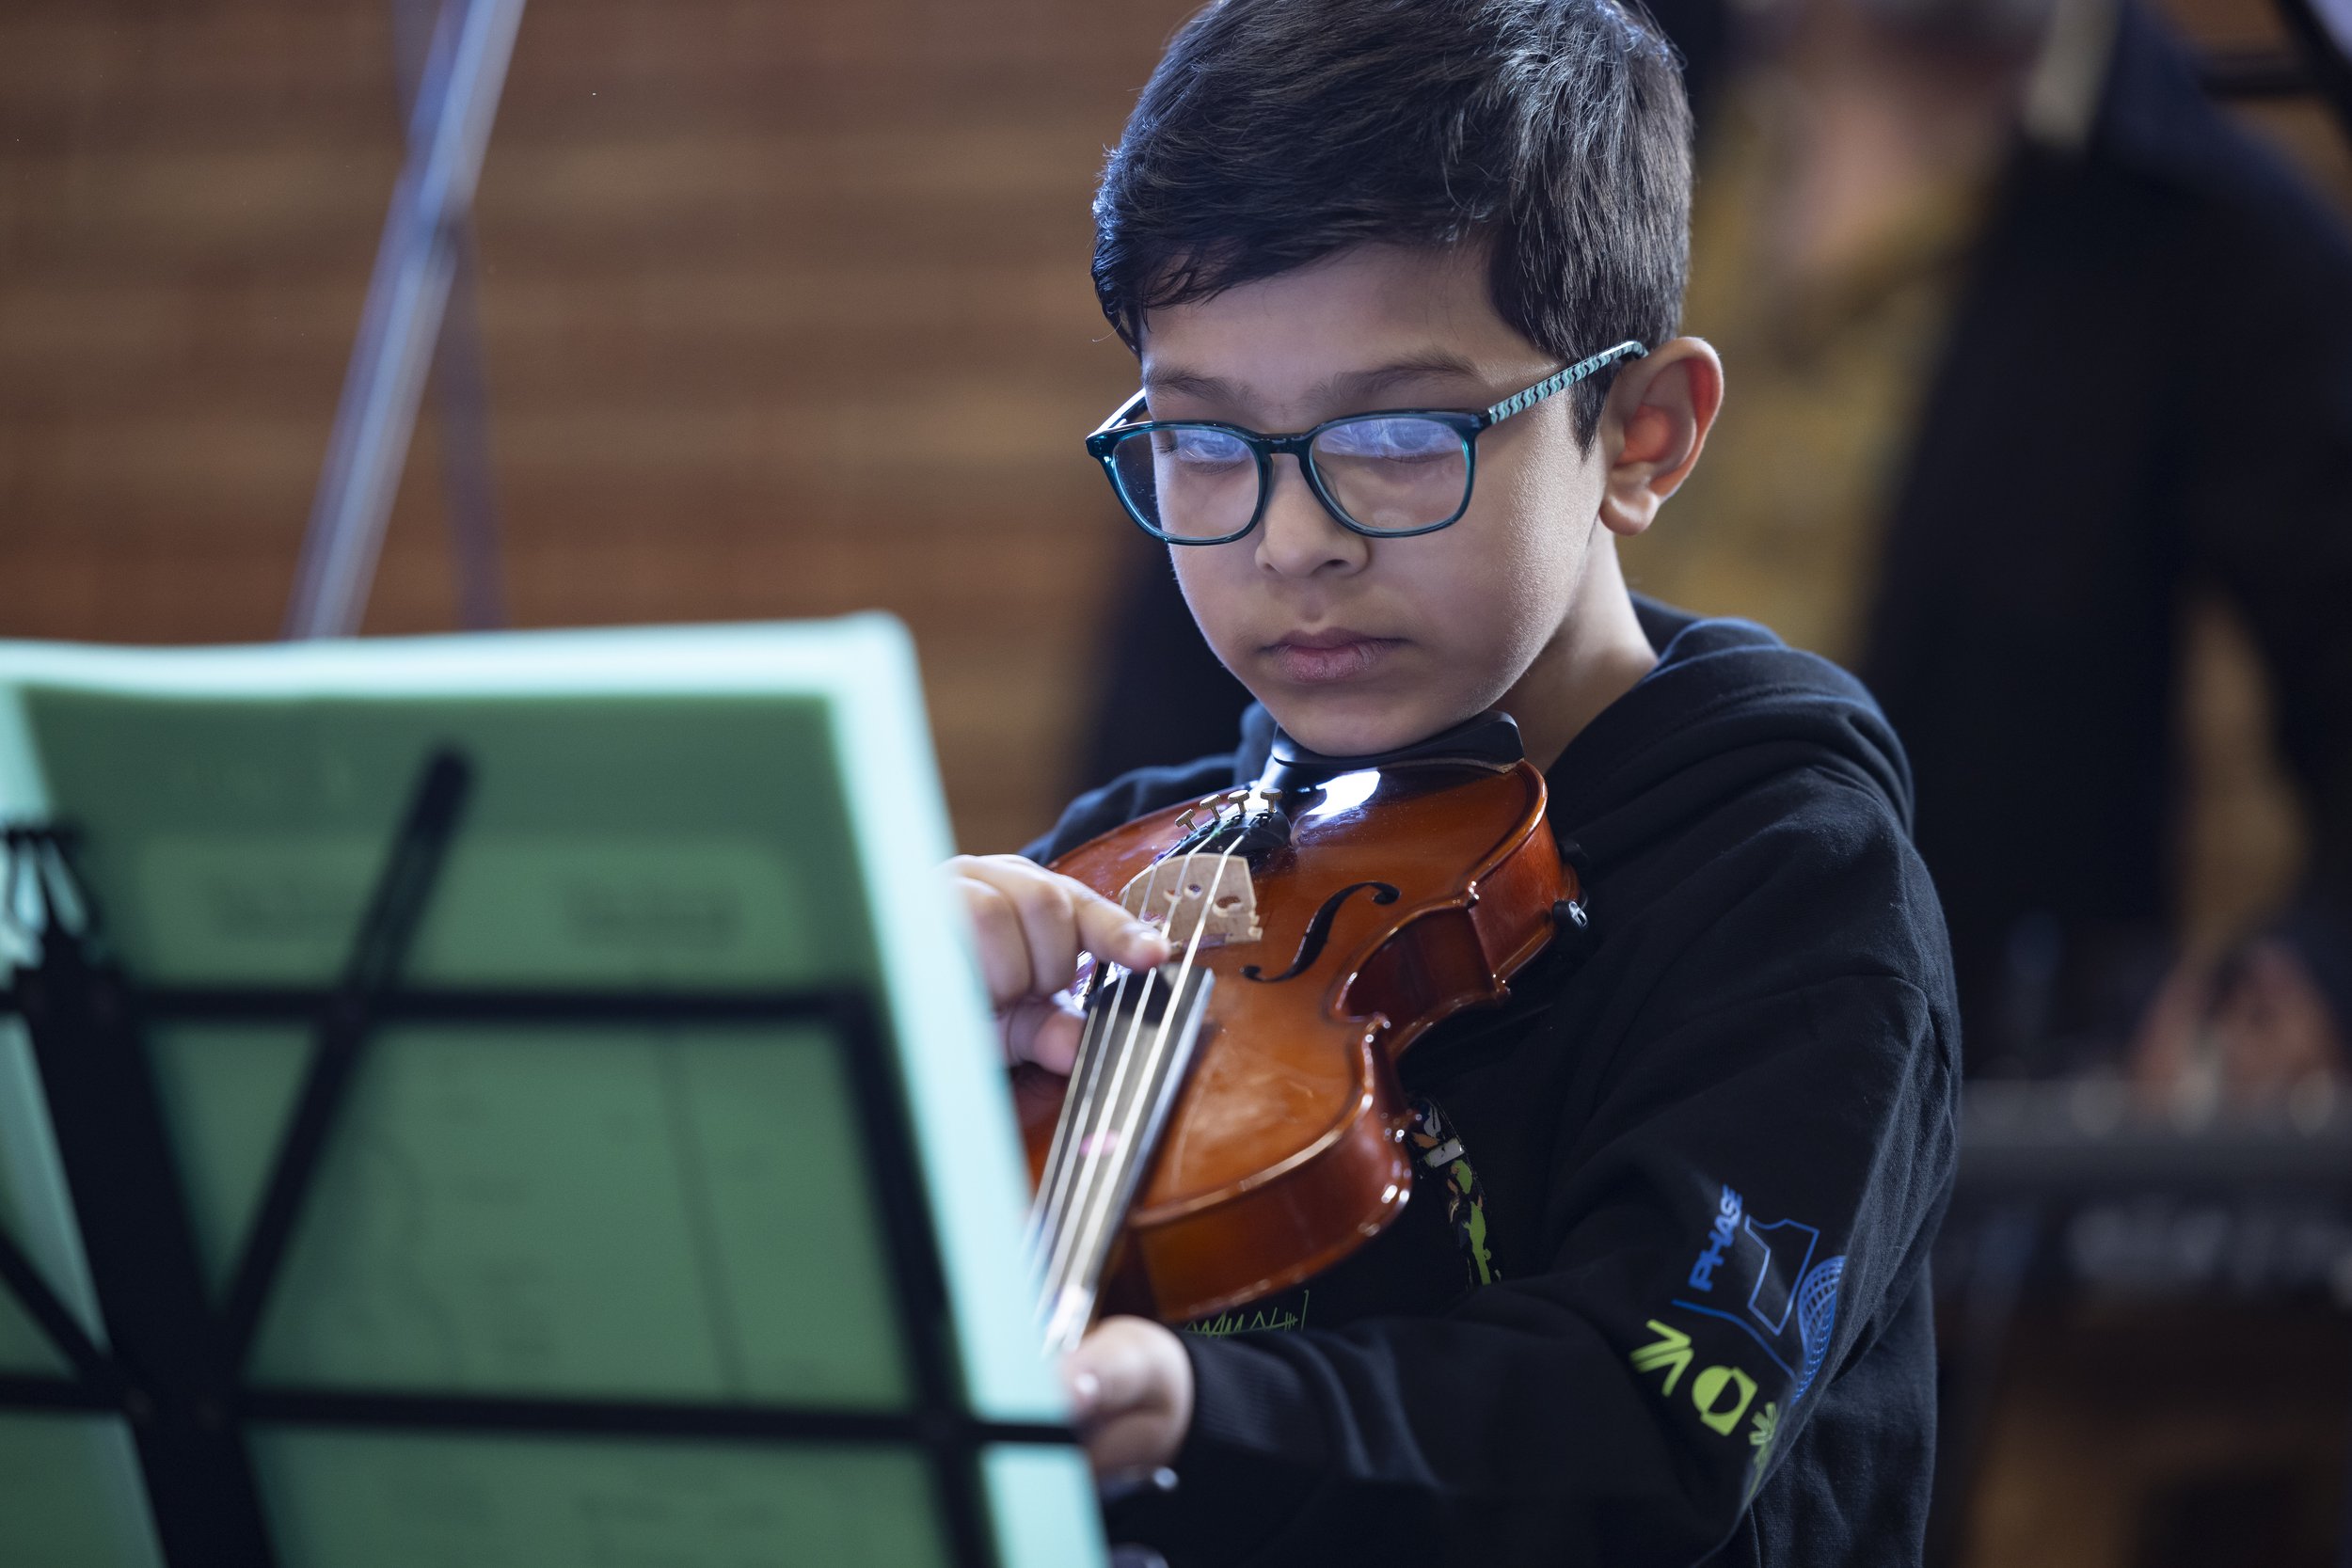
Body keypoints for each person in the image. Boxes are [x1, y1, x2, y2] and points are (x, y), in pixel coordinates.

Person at [945, 1, 1960, 1561]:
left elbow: (1649, 1422)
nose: (1295, 542)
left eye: (1402, 433)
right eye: (1206, 441)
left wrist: (1207, 1419)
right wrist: (905, 1050)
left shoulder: (1787, 873)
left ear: (1641, 436)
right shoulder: (1125, 883)